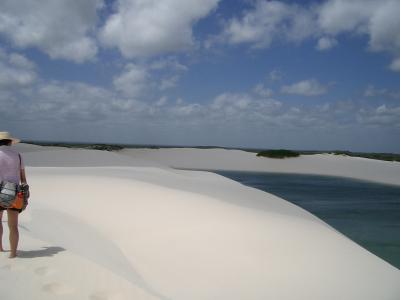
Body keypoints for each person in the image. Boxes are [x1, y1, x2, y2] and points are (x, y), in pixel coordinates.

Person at [0, 132, 28, 258]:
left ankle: (0, 248)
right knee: (13, 226)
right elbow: (23, 179)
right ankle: (13, 254)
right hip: (15, 193)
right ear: (10, 142)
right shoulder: (18, 156)